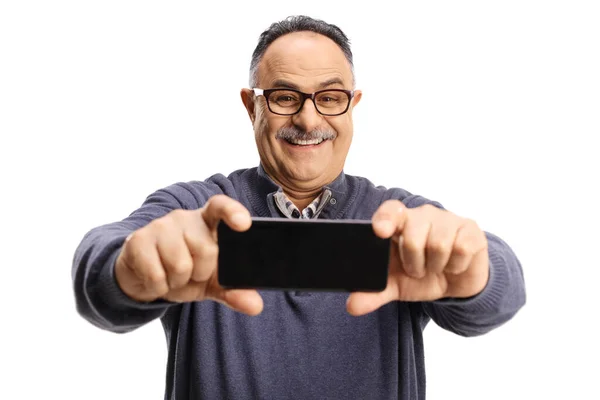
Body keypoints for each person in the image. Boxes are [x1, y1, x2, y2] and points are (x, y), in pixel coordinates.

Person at [72, 15, 526, 400]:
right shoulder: (196, 210)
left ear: (353, 107)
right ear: (252, 107)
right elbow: (100, 270)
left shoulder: (399, 217)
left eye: (330, 98)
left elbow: (503, 291)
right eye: (285, 97)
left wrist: (476, 274)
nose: (309, 120)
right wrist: (128, 269)